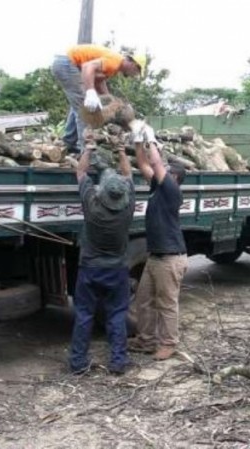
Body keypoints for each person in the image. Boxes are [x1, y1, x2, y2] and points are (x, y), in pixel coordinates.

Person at [68, 132, 136, 375]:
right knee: (117, 315)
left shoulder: (93, 206)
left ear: (102, 192)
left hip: (90, 268)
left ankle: (78, 363)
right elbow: (128, 175)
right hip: (116, 270)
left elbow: (81, 172)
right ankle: (118, 362)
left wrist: (88, 147)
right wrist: (120, 151)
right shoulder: (127, 209)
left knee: (84, 314)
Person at [128, 122, 188, 361]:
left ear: (173, 177)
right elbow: (143, 163)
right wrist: (136, 140)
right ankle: (146, 340)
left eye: (166, 170)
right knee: (143, 301)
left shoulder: (173, 191)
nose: (160, 170)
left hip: (170, 258)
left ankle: (169, 343)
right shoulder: (156, 188)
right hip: (155, 257)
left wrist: (150, 137)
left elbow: (155, 163)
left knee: (167, 303)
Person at [52, 44, 147, 153]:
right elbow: (87, 67)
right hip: (67, 64)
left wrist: (110, 100)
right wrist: (90, 92)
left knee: (78, 106)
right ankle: (87, 151)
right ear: (133, 64)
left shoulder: (114, 66)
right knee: (86, 108)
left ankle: (69, 142)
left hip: (66, 62)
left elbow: (99, 80)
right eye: (136, 72)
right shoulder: (115, 62)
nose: (133, 75)